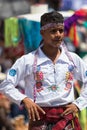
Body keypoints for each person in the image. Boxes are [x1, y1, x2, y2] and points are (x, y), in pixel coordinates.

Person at [0, 11, 87, 130]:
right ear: (42, 33)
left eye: (61, 31)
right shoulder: (27, 60)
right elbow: (6, 85)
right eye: (53, 31)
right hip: (39, 119)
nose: (58, 35)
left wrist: (78, 104)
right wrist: (24, 99)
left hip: (67, 118)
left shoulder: (73, 59)